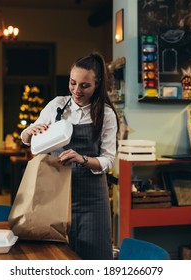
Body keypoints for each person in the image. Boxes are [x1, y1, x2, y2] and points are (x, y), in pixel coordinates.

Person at [21, 52, 119, 260]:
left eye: (84, 85)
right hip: (56, 193)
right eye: (73, 83)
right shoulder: (56, 105)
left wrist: (81, 158)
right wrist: (30, 131)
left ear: (97, 84)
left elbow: (108, 160)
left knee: (94, 256)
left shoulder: (106, 114)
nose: (76, 90)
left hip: (92, 198)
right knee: (57, 256)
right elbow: (28, 139)